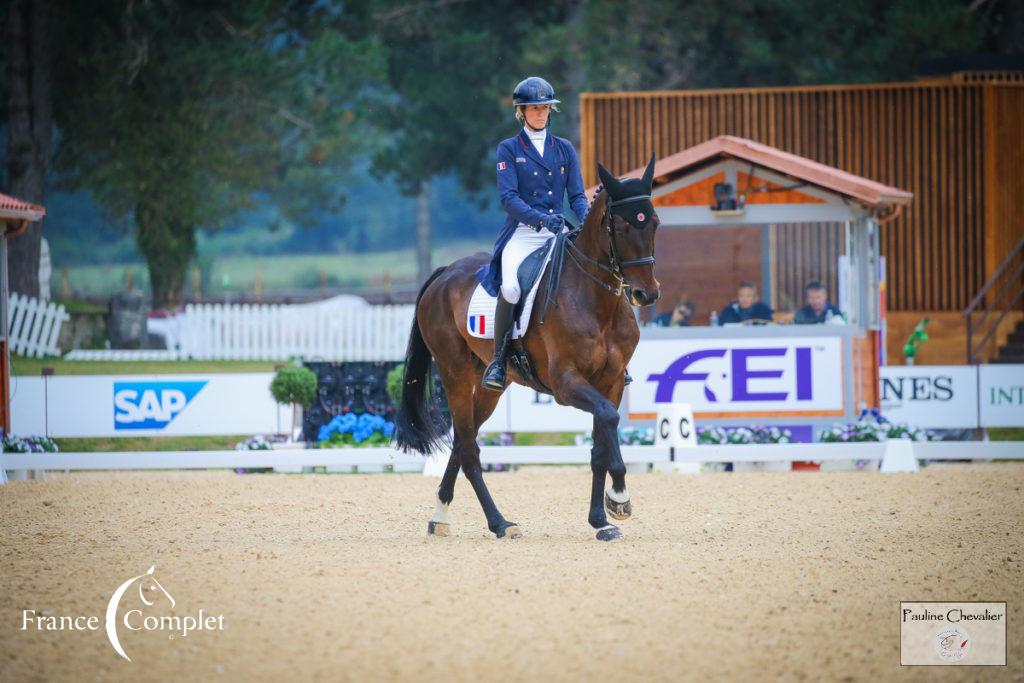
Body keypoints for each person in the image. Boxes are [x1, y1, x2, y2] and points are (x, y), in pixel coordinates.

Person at [475, 76, 589, 391]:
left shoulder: (564, 148)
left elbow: (577, 196)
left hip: (559, 231)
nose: (540, 114)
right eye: (533, 108)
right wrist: (540, 219)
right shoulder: (509, 149)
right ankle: (498, 362)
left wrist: (586, 221)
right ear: (521, 112)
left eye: (544, 108)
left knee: (590, 275)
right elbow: (508, 198)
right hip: (524, 232)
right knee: (511, 289)